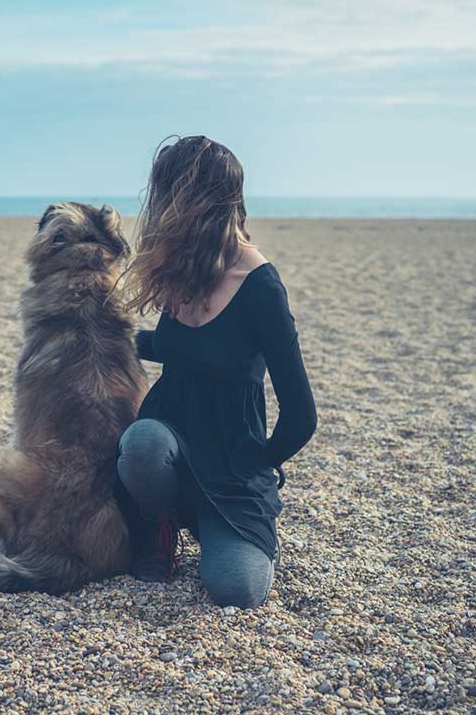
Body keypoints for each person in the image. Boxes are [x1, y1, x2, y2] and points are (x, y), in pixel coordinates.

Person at [116, 135, 317, 608]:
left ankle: (222, 524)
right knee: (141, 444)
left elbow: (301, 415)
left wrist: (260, 464)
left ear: (190, 202)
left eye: (165, 197)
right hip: (171, 444)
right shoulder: (185, 267)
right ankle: (162, 523)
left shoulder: (260, 286)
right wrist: (108, 339)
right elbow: (172, 348)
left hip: (232, 466)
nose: (157, 210)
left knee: (236, 589)